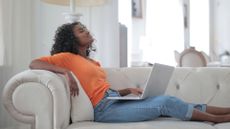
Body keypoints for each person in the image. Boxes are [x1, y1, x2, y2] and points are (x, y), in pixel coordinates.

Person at [30, 21, 230, 123]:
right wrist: (65, 72)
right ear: (71, 39)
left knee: (170, 99)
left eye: (85, 28)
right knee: (165, 103)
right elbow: (34, 63)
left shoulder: (93, 62)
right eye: (81, 31)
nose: (87, 31)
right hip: (103, 111)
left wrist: (126, 91)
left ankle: (226, 111)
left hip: (113, 100)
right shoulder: (65, 57)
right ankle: (218, 121)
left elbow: (100, 88)